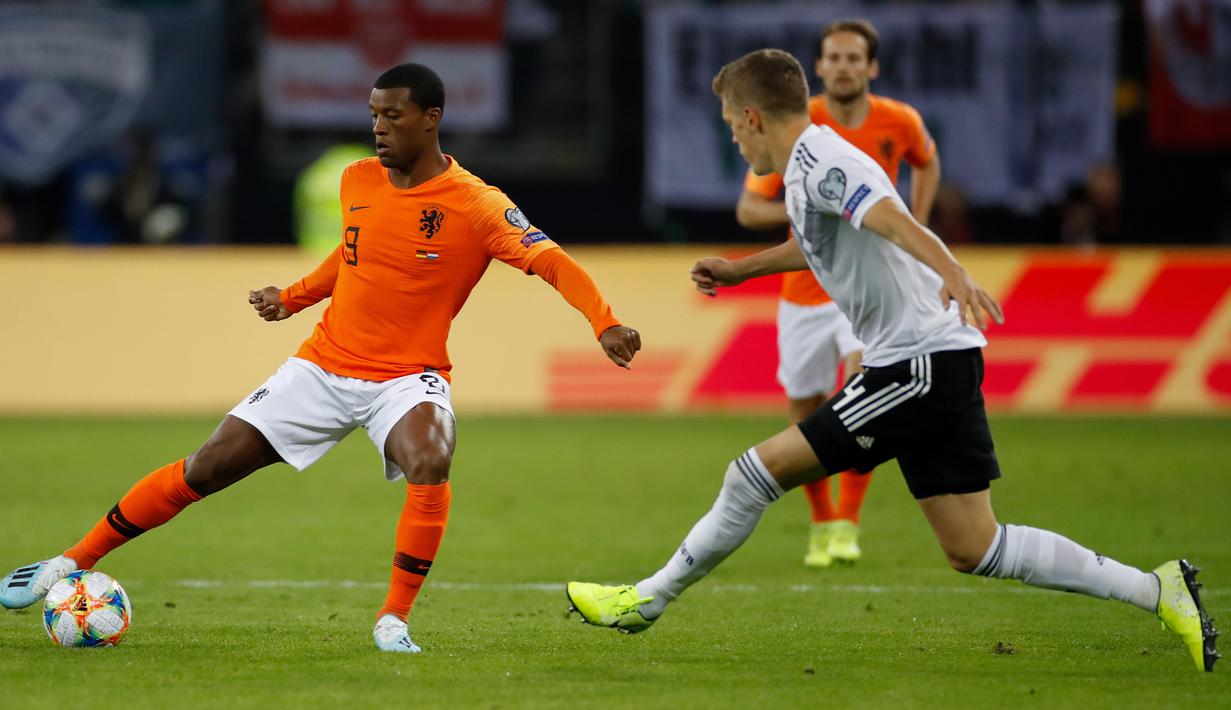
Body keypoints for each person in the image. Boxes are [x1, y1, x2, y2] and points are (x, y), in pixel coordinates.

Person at [565, 49, 1218, 673]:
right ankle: (1159, 591)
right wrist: (743, 270)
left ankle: (644, 601)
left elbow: (890, 218)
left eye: (733, 125)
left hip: (916, 365)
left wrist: (954, 270)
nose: (735, 139)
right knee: (974, 547)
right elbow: (819, 243)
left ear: (754, 117)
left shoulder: (821, 160)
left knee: (750, 475)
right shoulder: (804, 168)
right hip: (937, 360)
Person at [1, 63, 642, 654]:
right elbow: (355, 256)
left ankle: (393, 621)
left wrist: (604, 322)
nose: (379, 128)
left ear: (432, 118)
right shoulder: (356, 181)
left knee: (431, 456)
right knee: (207, 467)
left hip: (406, 378)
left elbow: (551, 259)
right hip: (322, 366)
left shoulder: (476, 203)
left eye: (393, 116)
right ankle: (70, 561)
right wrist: (295, 296)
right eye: (373, 115)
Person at [735, 19, 940, 568]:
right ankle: (822, 523)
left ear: (871, 67)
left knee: (858, 393)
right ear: (819, 68)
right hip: (804, 286)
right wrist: (820, 207)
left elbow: (927, 159)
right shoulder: (802, 125)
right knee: (805, 411)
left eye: (855, 58)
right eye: (834, 58)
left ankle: (849, 520)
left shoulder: (900, 121)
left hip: (863, 287)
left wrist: (915, 221)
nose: (845, 66)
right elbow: (749, 207)